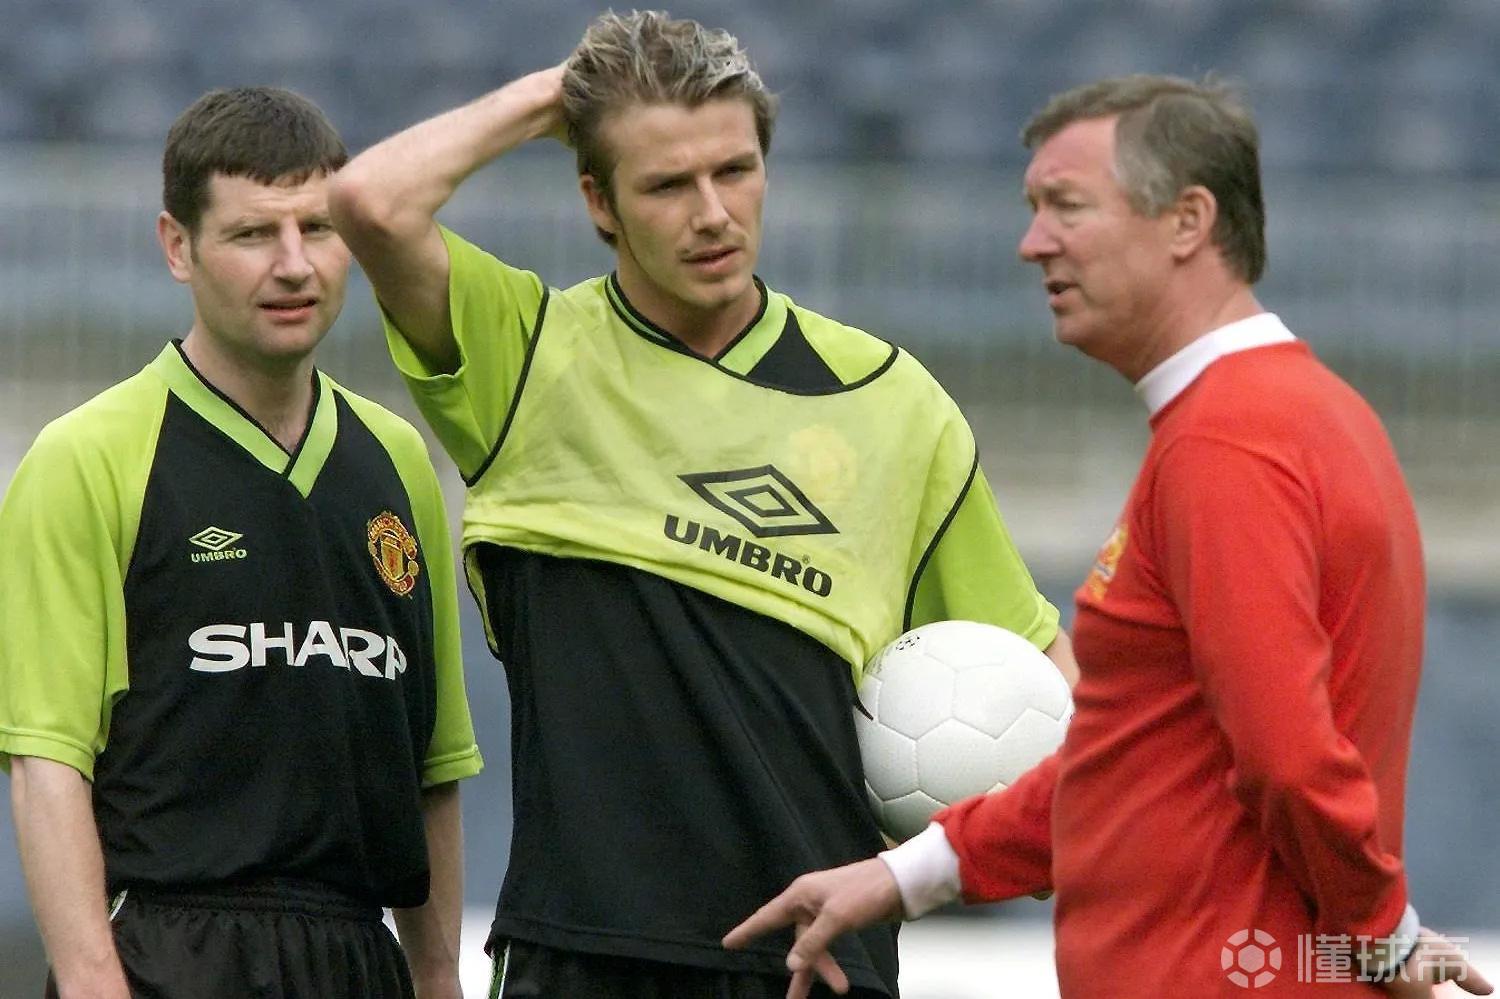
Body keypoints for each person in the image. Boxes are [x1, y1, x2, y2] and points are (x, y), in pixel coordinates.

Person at [329, 10, 1075, 998]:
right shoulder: (527, 357)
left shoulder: (893, 403)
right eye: (667, 184)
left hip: (817, 962)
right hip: (580, 956)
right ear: (598, 201)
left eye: (735, 171)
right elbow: (370, 202)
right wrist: (560, 96)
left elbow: (1048, 682)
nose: (714, 213)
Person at [724, 75, 1495, 999]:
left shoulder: (1230, 442)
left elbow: (1288, 756)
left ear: (1188, 221)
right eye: (1033, 209)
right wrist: (903, 873)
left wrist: (1380, 934)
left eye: (1068, 206)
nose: (1032, 242)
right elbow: (1135, 762)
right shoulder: (1300, 417)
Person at [0, 87, 483, 999]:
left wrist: (436, 976)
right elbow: (47, 765)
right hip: (168, 954)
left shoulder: (399, 462)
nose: (294, 265)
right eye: (254, 234)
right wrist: (95, 983)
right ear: (177, 246)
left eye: (318, 228)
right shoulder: (87, 459)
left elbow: (432, 764)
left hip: (359, 956)